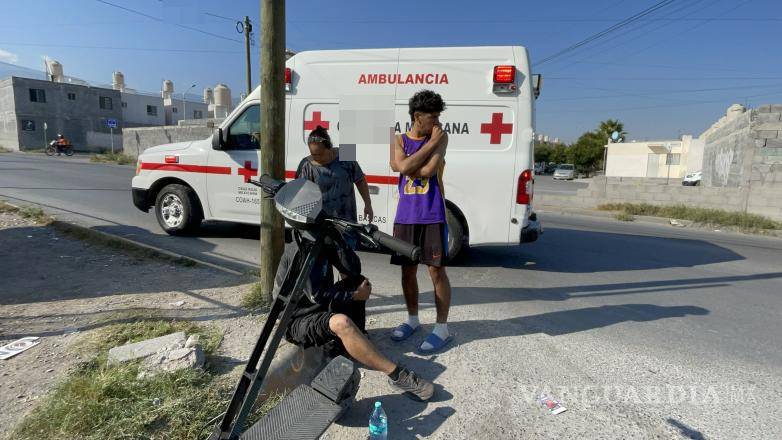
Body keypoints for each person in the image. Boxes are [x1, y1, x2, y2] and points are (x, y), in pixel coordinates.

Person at [273, 235, 435, 402]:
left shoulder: (323, 241)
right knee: (342, 323)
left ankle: (356, 343)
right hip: (296, 320)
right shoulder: (301, 250)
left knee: (358, 281)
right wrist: (353, 295)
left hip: (318, 308)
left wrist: (339, 241)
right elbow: (316, 295)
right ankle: (396, 376)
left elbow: (353, 270)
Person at [389, 90, 453, 354]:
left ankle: (442, 328)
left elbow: (426, 170)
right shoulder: (398, 138)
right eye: (433, 117)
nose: (438, 122)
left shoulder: (442, 137)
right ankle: (413, 319)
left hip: (432, 214)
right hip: (405, 216)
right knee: (407, 271)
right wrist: (421, 152)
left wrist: (406, 162)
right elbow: (401, 167)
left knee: (436, 271)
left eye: (438, 116)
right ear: (417, 116)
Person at [296, 125, 373, 229]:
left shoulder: (346, 154)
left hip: (347, 222)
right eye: (313, 154)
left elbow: (360, 180)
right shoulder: (307, 165)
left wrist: (368, 204)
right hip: (321, 224)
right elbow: (300, 196)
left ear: (329, 148)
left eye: (320, 154)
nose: (316, 158)